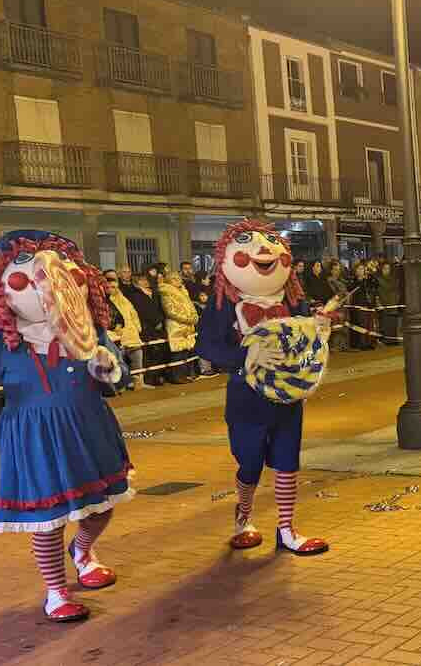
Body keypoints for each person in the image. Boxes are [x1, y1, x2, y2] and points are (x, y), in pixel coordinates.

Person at [0, 230, 132, 622]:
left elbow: (119, 373)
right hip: (35, 432)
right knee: (47, 519)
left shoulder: (88, 328)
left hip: (89, 424)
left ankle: (82, 551)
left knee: (102, 506)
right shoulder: (5, 336)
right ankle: (56, 592)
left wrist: (108, 368)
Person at [195, 220, 328, 556]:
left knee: (287, 460)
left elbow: (305, 340)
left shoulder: (292, 299)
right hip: (246, 395)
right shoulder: (224, 302)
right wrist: (245, 355)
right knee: (250, 462)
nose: (265, 249)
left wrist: (319, 329)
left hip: (287, 394)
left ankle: (286, 529)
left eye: (272, 242)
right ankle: (243, 516)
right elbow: (207, 346)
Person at [104, 270, 146, 390]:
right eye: (109, 286)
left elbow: (132, 312)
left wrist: (137, 326)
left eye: (114, 286)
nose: (112, 289)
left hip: (131, 334)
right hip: (116, 336)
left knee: (137, 359)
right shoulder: (104, 300)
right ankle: (120, 385)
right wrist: (114, 327)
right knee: (118, 363)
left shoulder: (122, 297)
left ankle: (138, 383)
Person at [125, 273, 167, 387]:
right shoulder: (135, 295)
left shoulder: (152, 293)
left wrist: (160, 320)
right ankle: (149, 379)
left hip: (157, 328)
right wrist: (156, 321)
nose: (146, 282)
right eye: (143, 280)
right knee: (148, 354)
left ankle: (156, 377)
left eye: (146, 280)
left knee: (158, 353)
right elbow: (143, 311)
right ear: (136, 281)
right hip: (146, 328)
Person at [159, 271, 199, 385]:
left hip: (187, 325)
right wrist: (187, 319)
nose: (178, 280)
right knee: (178, 353)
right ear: (168, 281)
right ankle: (177, 376)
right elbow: (170, 311)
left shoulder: (183, 292)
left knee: (186, 351)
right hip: (176, 325)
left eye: (178, 278)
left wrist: (194, 316)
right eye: (174, 279)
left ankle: (185, 374)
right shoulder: (166, 292)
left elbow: (191, 307)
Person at [376, 262, 401, 343]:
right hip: (383, 305)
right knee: (384, 324)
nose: (386, 270)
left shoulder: (394, 280)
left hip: (393, 304)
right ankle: (386, 340)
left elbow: (397, 291)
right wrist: (378, 303)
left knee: (393, 324)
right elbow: (377, 293)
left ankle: (393, 340)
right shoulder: (378, 279)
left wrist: (396, 301)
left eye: (388, 268)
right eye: (385, 268)